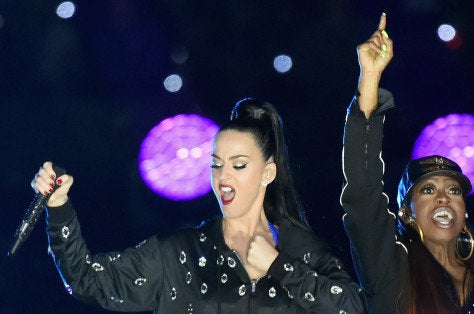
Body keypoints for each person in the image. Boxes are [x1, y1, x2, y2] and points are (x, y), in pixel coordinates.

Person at [32, 98, 366, 313]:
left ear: (267, 173)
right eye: (216, 164)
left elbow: (354, 308)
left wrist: (280, 267)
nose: (223, 176)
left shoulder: (299, 249)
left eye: (238, 165)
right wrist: (59, 206)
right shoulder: (178, 252)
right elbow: (86, 281)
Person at [340, 13, 474, 313]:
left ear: (465, 210)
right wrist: (370, 77)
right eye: (428, 190)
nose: (444, 196)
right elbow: (363, 190)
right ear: (406, 212)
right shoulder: (391, 269)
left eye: (454, 191)